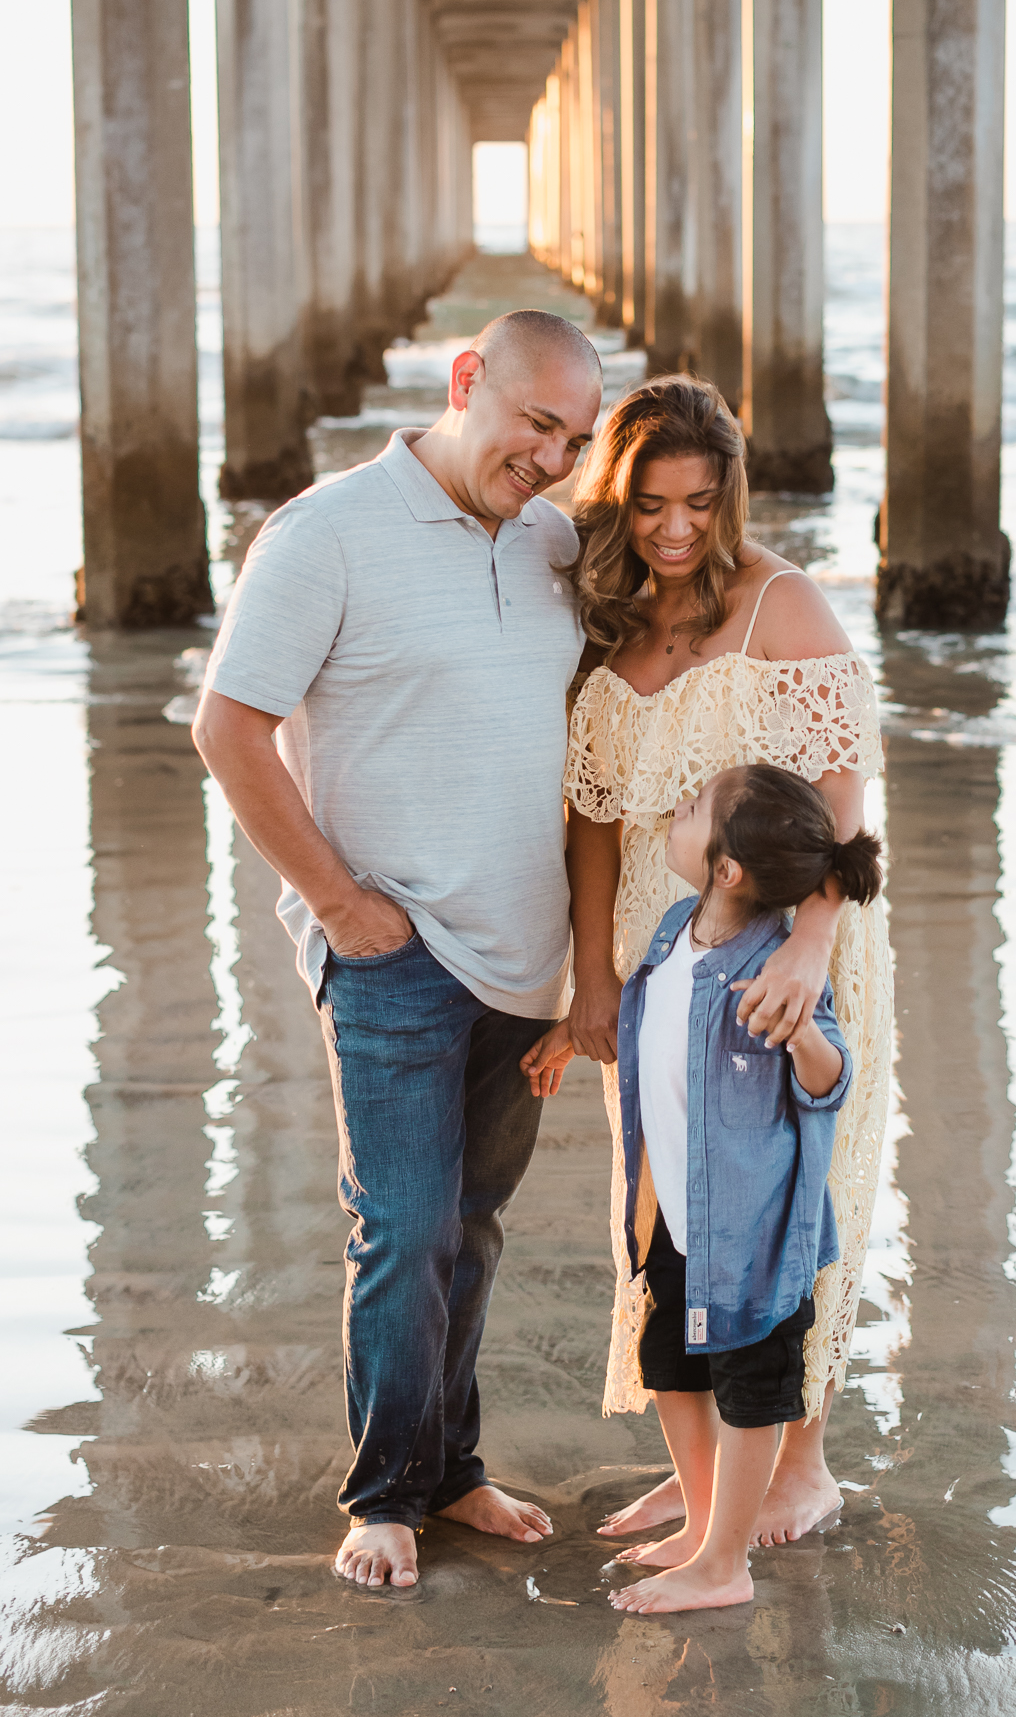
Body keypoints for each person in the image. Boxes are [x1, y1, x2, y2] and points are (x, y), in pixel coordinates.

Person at [191, 310, 603, 1590]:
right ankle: (381, 1493)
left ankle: (454, 1468)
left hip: (525, 960)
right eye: (537, 424)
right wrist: (339, 902)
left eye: (578, 441)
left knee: (470, 1228)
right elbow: (228, 728)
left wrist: (582, 970)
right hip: (391, 949)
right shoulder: (325, 533)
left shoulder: (550, 544)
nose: (552, 459)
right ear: (465, 379)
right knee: (407, 1224)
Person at [522, 374, 896, 1546]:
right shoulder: (605, 615)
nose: (675, 528)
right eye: (647, 504)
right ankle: (707, 1472)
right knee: (672, 1199)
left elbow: (843, 798)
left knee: (792, 1190)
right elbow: (589, 817)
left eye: (698, 500)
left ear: (729, 491)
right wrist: (593, 979)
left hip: (790, 939)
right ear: (615, 498)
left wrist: (813, 944)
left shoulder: (781, 602)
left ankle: (805, 1465)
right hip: (656, 952)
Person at [604, 764, 883, 1615]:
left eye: (692, 810)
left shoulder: (776, 969)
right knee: (673, 1370)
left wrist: (802, 1042)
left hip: (752, 1229)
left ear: (727, 868)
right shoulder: (668, 932)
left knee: (749, 1388)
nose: (676, 807)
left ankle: (725, 1562)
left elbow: (832, 1081)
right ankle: (699, 1525)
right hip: (673, 1214)